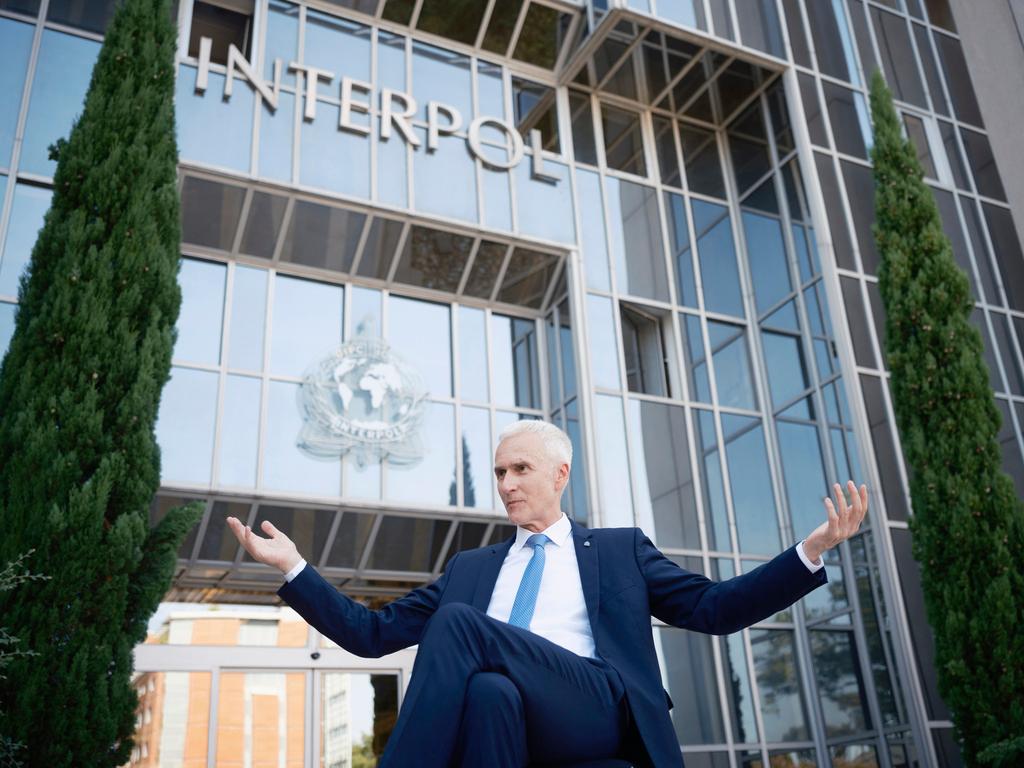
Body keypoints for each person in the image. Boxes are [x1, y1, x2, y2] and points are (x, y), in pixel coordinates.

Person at [228, 420, 867, 768]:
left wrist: (807, 552)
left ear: (560, 474)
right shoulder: (473, 567)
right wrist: (295, 570)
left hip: (593, 708)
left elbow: (715, 609)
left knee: (458, 627)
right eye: (500, 471)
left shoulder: (618, 549)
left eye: (520, 470)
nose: (506, 484)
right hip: (508, 724)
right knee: (487, 689)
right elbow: (372, 636)